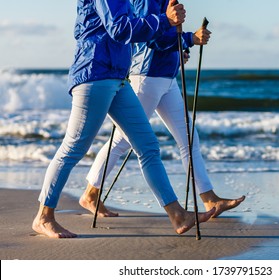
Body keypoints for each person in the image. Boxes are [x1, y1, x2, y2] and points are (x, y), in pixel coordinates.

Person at [32, 0, 216, 239]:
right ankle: (43, 216)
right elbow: (119, 28)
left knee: (148, 146)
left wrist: (177, 41)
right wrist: (166, 20)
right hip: (94, 74)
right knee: (74, 148)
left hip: (119, 78)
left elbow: (137, 32)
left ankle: (177, 215)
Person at [79, 0, 245, 219]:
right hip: (146, 76)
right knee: (122, 140)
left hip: (167, 77)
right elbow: (151, 37)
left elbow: (166, 35)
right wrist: (189, 39)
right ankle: (90, 194)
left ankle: (210, 199)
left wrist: (179, 51)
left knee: (188, 139)